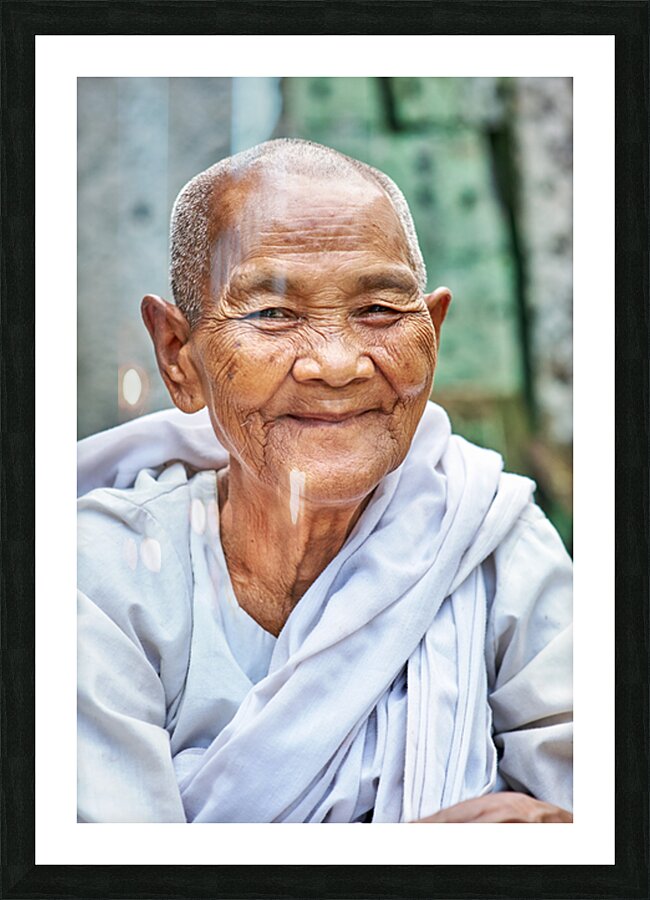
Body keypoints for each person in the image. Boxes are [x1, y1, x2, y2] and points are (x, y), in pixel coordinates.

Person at [77, 139, 573, 823]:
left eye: (378, 311)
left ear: (432, 331)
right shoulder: (99, 576)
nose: (337, 364)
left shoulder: (493, 544)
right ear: (179, 356)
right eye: (274, 314)